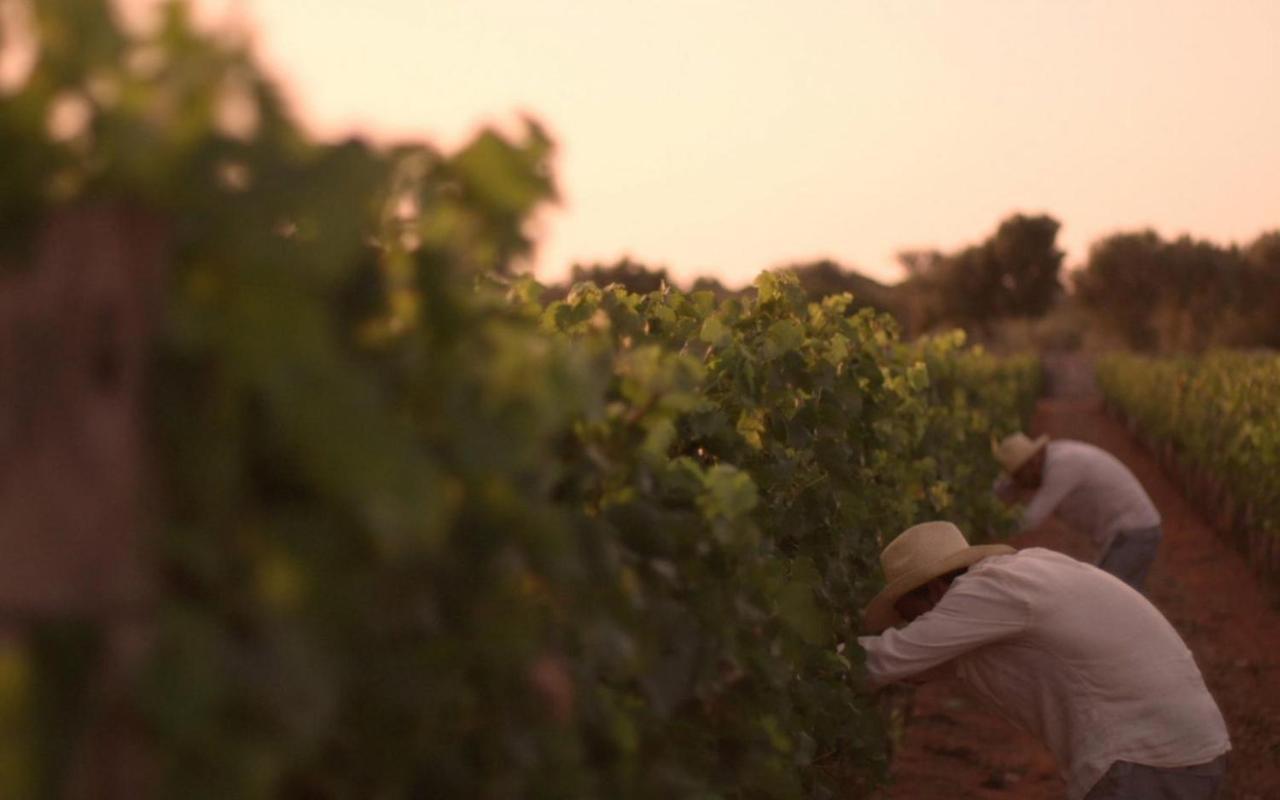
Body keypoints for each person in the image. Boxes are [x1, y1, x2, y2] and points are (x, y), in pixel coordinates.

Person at [857, 521, 1230, 800]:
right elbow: (922, 665)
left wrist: (809, 666)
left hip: (1143, 761)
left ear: (935, 587)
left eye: (913, 615)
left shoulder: (985, 592)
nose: (917, 626)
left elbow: (885, 661)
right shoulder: (1027, 570)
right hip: (1188, 751)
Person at [993, 432, 1162, 591]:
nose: (1020, 484)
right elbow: (1010, 487)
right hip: (1125, 533)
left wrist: (992, 529)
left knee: (1109, 597)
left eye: (1019, 477)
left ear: (1032, 464)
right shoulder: (1048, 459)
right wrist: (988, 500)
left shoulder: (1062, 466)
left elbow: (1030, 519)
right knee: (1112, 595)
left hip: (1135, 533)